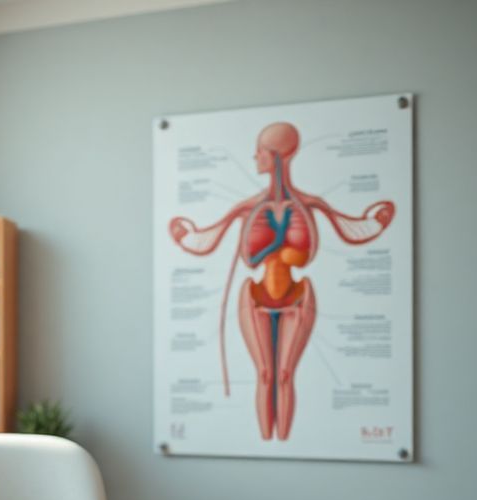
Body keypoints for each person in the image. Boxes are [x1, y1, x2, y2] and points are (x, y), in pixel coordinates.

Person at [169, 122, 395, 441]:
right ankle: (267, 443)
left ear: (275, 155)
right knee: (265, 373)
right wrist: (185, 233)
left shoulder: (309, 204)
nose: (254, 157)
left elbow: (355, 229)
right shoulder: (249, 207)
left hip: (297, 296)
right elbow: (204, 240)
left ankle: (284, 442)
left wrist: (378, 219)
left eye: (260, 151)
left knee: (285, 374)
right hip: (256, 296)